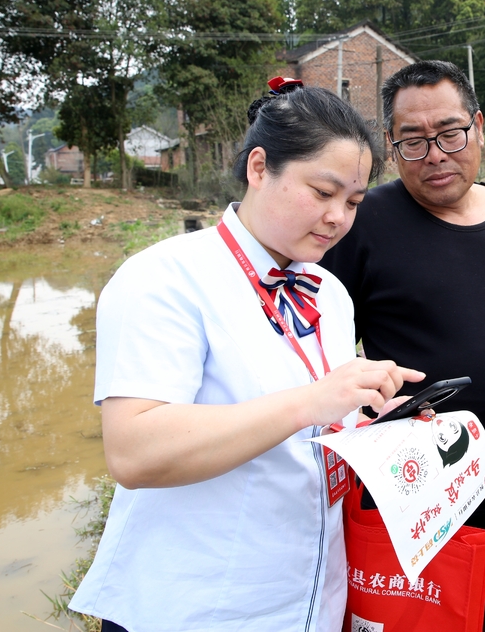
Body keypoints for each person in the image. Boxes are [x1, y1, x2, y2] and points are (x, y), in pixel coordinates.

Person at [69, 80, 424, 632]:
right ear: (260, 168)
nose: (338, 217)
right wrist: (310, 402)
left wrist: (370, 422)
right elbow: (134, 453)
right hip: (195, 609)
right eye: (322, 192)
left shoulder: (329, 292)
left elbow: (317, 421)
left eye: (354, 202)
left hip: (310, 598)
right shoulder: (164, 280)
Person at [321, 60, 485, 632]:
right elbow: (323, 351)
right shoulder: (364, 222)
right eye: (414, 141)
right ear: (391, 146)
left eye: (450, 134)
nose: (436, 154)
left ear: (478, 126)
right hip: (414, 501)